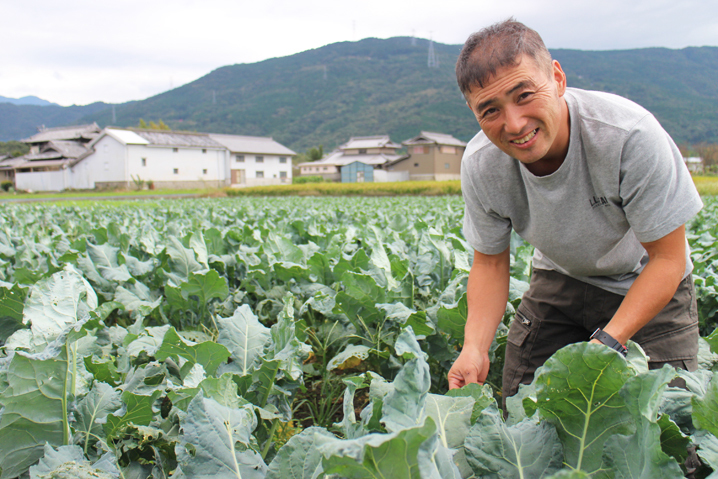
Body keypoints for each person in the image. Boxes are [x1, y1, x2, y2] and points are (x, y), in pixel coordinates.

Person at [447, 18, 703, 406]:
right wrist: (474, 347)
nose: (514, 124)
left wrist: (609, 341)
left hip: (648, 283)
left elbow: (668, 259)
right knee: (524, 413)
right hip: (560, 280)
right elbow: (490, 264)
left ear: (557, 78)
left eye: (524, 95)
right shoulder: (483, 164)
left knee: (669, 426)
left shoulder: (628, 136)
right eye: (490, 111)